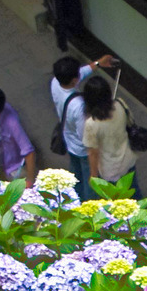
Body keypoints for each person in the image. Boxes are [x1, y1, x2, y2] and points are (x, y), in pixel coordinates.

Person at [80, 70, 138, 196]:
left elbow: (93, 153)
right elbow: (130, 122)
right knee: (134, 191)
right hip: (128, 158)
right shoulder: (120, 104)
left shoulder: (92, 124)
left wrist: (93, 176)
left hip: (110, 169)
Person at [49, 53, 95, 195]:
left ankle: (75, 203)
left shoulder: (55, 82)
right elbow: (85, 137)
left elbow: (80, 73)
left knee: (76, 180)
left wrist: (97, 64)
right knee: (90, 186)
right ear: (74, 81)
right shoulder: (78, 106)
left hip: (69, 141)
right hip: (82, 149)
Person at [0, 87, 37, 186]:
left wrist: (30, 181)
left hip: (14, 169)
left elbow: (29, 152)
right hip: (2, 157)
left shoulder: (12, 124)